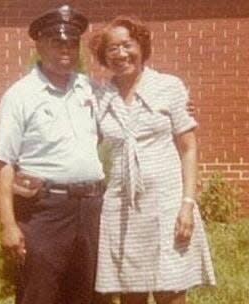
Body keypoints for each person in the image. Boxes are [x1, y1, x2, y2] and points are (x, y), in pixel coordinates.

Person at [88, 16, 216, 304]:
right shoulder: (99, 96)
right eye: (112, 49)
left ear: (142, 46)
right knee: (131, 294)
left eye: (127, 45)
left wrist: (187, 204)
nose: (121, 54)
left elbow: (188, 148)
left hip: (166, 205)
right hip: (122, 209)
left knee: (170, 290)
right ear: (103, 56)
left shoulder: (169, 87)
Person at [0, 5, 106, 304]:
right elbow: (4, 162)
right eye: (57, 42)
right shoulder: (20, 95)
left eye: (71, 42)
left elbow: (124, 111)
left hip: (92, 208)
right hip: (45, 211)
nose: (65, 49)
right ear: (39, 45)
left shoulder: (89, 89)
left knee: (88, 294)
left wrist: (176, 108)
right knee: (39, 293)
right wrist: (8, 225)